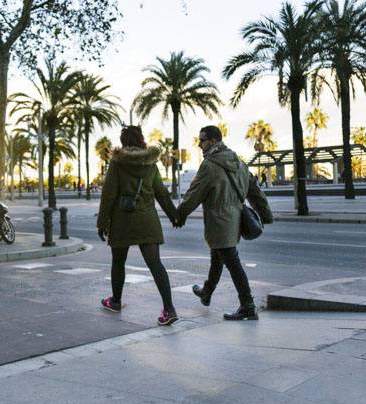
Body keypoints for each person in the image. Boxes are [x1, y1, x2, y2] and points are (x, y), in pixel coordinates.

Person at [177, 125, 273, 321]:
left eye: (201, 140)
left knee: (232, 262)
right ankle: (207, 292)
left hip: (219, 221)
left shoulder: (209, 165)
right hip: (234, 219)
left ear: (212, 141)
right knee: (217, 256)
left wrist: (179, 215)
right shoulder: (238, 161)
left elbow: (194, 194)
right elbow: (254, 190)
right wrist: (266, 213)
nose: (199, 144)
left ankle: (247, 305)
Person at [96, 125, 180, 326]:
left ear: (124, 142)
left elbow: (108, 195)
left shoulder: (116, 164)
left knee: (118, 262)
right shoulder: (151, 164)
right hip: (147, 220)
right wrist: (174, 216)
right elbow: (161, 193)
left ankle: (115, 301)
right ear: (141, 140)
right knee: (155, 264)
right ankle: (169, 309)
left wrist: (102, 222)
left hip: (122, 221)